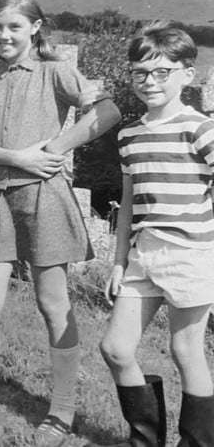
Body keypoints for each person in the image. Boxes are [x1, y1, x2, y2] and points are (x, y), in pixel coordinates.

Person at [0, 0, 121, 447]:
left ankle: (62, 411)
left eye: (14, 27)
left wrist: (56, 148)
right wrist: (18, 158)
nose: (3, 35)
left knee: (52, 304)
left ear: (35, 28)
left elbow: (107, 111)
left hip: (44, 200)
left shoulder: (56, 70)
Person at [95, 24, 214, 447]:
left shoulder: (199, 129)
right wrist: (118, 261)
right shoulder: (129, 135)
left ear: (188, 74)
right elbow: (128, 204)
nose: (150, 82)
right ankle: (145, 440)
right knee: (116, 348)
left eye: (162, 72)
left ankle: (197, 442)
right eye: (140, 73)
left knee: (186, 351)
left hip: (190, 254)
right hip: (143, 255)